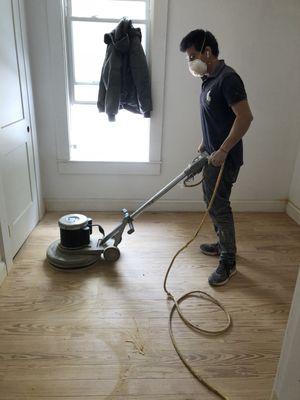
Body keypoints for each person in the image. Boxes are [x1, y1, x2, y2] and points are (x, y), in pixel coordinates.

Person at [180, 29, 253, 286]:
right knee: (212, 203)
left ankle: (228, 261)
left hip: (224, 159)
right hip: (211, 155)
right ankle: (222, 243)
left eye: (192, 56)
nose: (190, 62)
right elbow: (218, 117)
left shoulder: (228, 79)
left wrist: (222, 151)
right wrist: (204, 144)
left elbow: (245, 118)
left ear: (207, 52)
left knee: (219, 207)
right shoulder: (209, 79)